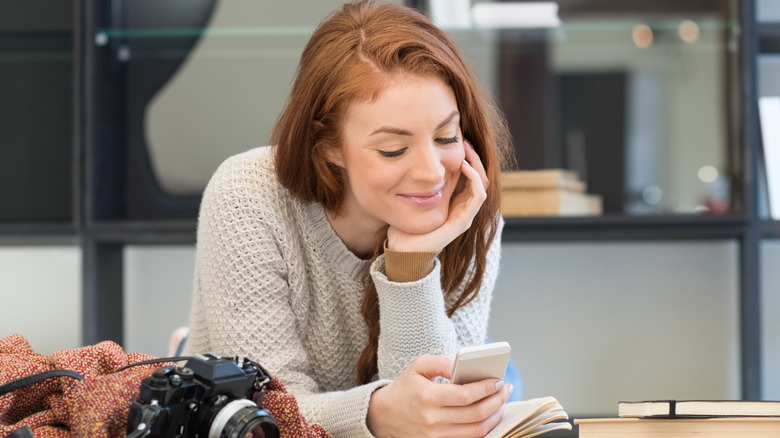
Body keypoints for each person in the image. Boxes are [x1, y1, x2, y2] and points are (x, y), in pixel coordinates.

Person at [183, 1, 514, 436]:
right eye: (393, 149)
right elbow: (265, 412)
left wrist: (410, 265)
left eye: (446, 136)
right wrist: (376, 413)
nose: (434, 172)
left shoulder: (465, 212)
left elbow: (431, 415)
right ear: (328, 147)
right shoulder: (249, 196)